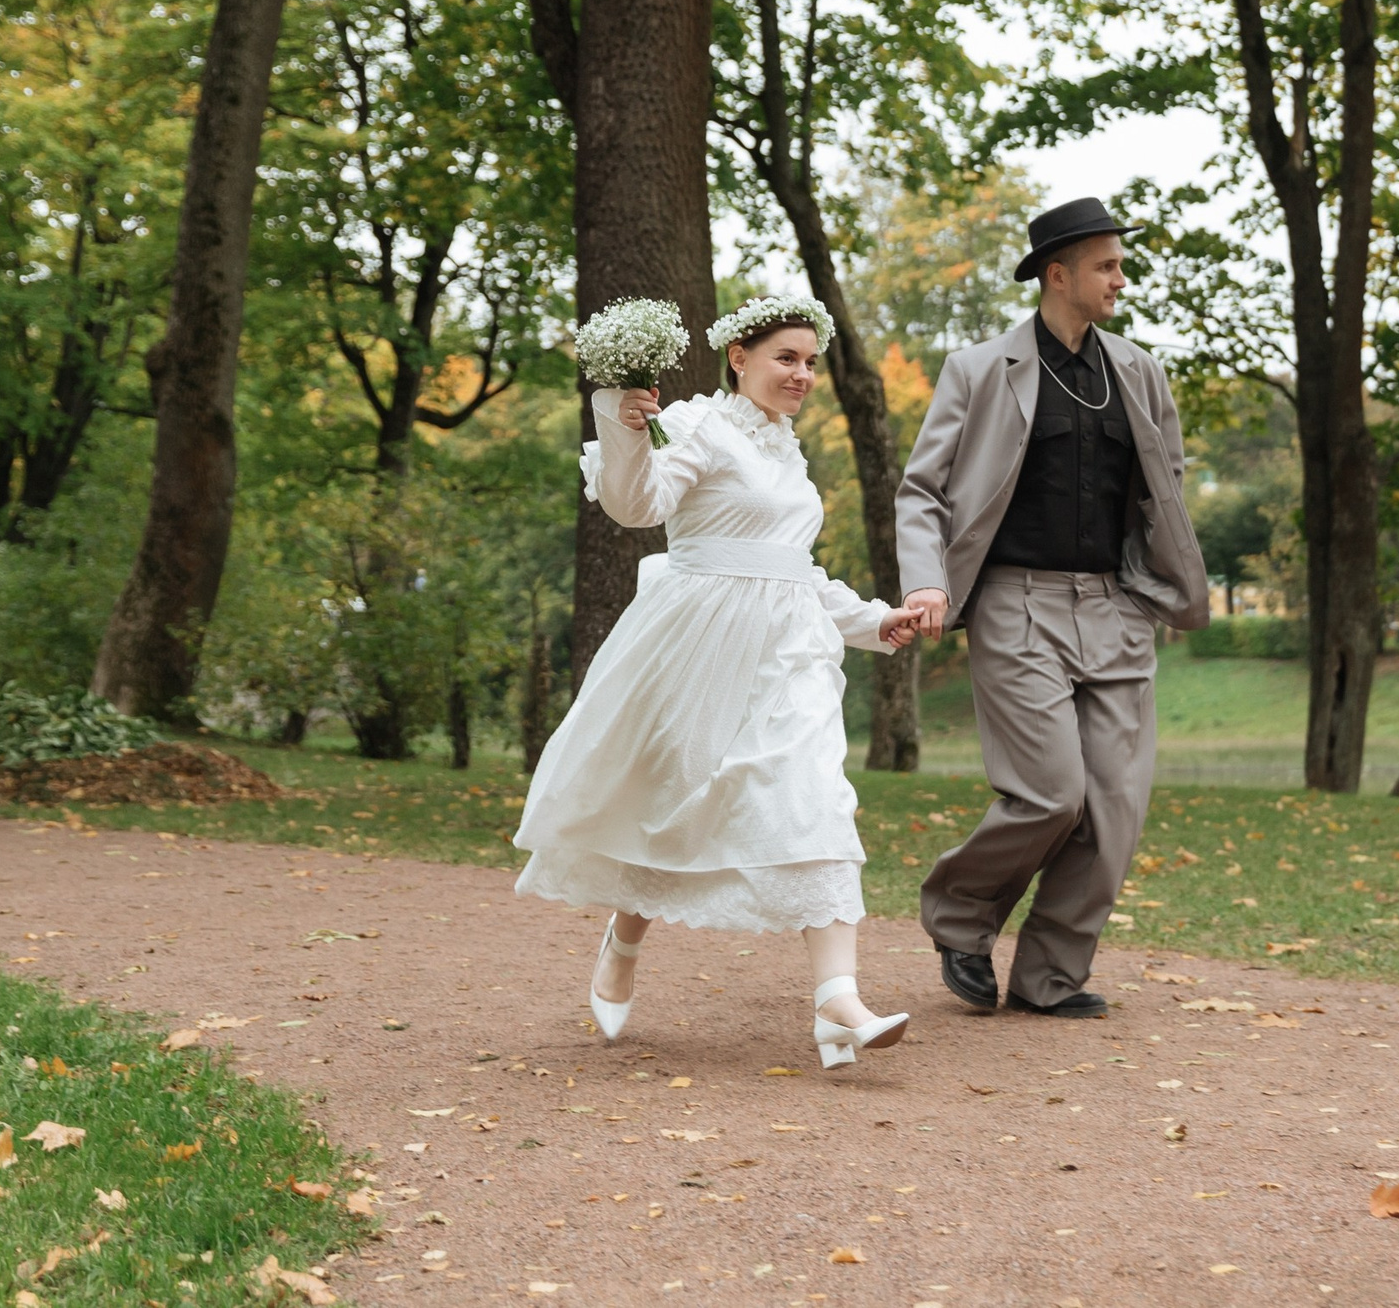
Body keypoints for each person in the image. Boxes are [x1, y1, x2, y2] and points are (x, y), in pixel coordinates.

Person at [513, 294, 927, 1068]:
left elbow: (793, 568)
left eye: (810, 361)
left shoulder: (786, 448)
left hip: (788, 656)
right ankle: (622, 944)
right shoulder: (701, 423)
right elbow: (638, 504)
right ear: (739, 357)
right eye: (786, 358)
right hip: (698, 647)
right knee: (670, 807)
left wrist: (875, 621)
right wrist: (623, 416)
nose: (803, 374)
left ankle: (838, 1002)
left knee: (817, 800)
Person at [896, 197, 1210, 1017]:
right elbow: (923, 489)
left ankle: (1049, 976)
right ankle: (961, 914)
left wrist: (1159, 589)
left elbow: (1164, 491)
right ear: (1057, 273)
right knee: (1050, 791)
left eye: (1119, 262)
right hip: (1015, 600)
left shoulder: (1139, 370)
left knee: (1114, 805)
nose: (1120, 277)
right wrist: (925, 580)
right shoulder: (977, 369)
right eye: (1106, 264)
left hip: (1114, 605)